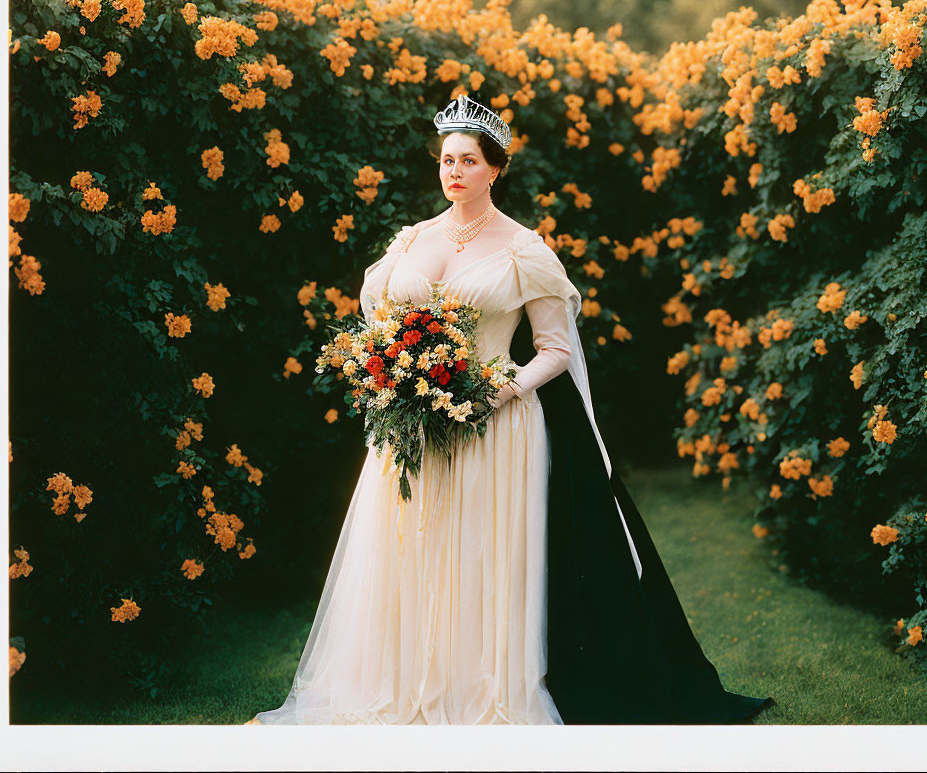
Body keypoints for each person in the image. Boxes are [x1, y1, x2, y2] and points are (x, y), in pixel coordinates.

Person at [250, 95, 774, 725]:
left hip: (494, 427)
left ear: (494, 169)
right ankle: (405, 678)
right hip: (415, 426)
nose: (454, 172)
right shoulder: (412, 240)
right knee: (408, 552)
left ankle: (479, 685)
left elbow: (555, 349)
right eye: (447, 160)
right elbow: (374, 309)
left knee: (478, 557)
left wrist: (501, 390)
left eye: (468, 161)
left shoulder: (525, 250)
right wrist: (393, 368)